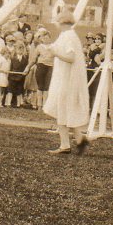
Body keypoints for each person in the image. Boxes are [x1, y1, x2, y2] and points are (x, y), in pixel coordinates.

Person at [44, 12, 91, 154]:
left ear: (62, 22)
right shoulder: (67, 35)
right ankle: (81, 141)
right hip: (64, 78)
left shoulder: (69, 36)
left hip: (67, 80)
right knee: (66, 110)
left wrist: (55, 52)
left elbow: (71, 57)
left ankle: (65, 145)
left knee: (62, 109)